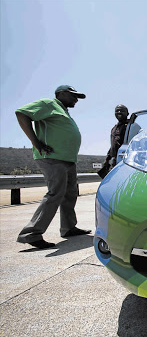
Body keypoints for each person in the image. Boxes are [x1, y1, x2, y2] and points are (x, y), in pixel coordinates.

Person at [15, 85, 91, 249]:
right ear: (62, 93)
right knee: (55, 193)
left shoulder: (63, 111)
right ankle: (31, 233)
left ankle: (68, 228)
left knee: (70, 194)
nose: (76, 99)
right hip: (52, 157)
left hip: (67, 159)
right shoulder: (48, 104)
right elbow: (21, 113)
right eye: (73, 95)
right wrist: (35, 142)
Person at [98, 104, 129, 178]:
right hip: (114, 160)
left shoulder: (131, 126)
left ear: (127, 113)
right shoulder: (114, 129)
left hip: (125, 160)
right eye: (117, 111)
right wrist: (107, 159)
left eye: (122, 111)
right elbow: (113, 145)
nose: (119, 112)